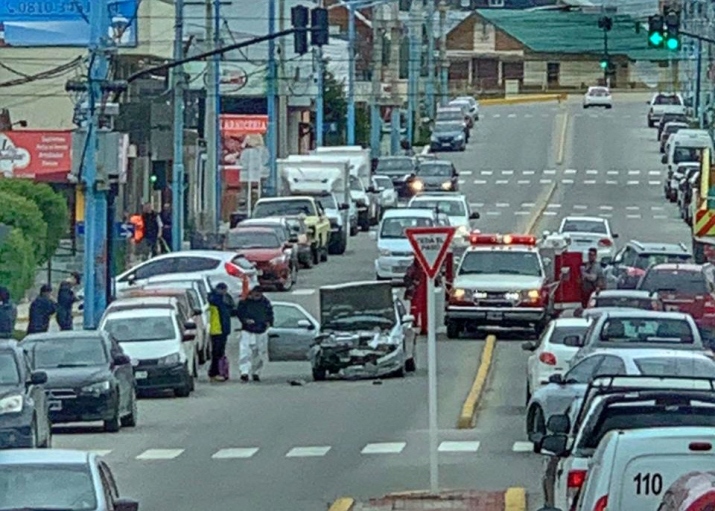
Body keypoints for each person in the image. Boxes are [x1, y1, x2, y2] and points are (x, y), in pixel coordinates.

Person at [236, 285, 273, 382]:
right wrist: (245, 320)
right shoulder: (244, 303)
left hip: (261, 331)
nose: (257, 295)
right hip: (247, 330)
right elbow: (239, 313)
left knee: (259, 353)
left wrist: (269, 323)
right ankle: (244, 372)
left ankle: (256, 372)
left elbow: (270, 314)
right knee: (245, 352)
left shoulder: (265, 302)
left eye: (259, 293)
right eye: (255, 293)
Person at [207, 282, 236, 382]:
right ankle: (215, 372)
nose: (224, 292)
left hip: (223, 329)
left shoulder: (225, 299)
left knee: (220, 352)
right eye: (223, 290)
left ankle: (219, 371)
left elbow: (232, 308)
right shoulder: (214, 299)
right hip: (216, 329)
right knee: (217, 352)